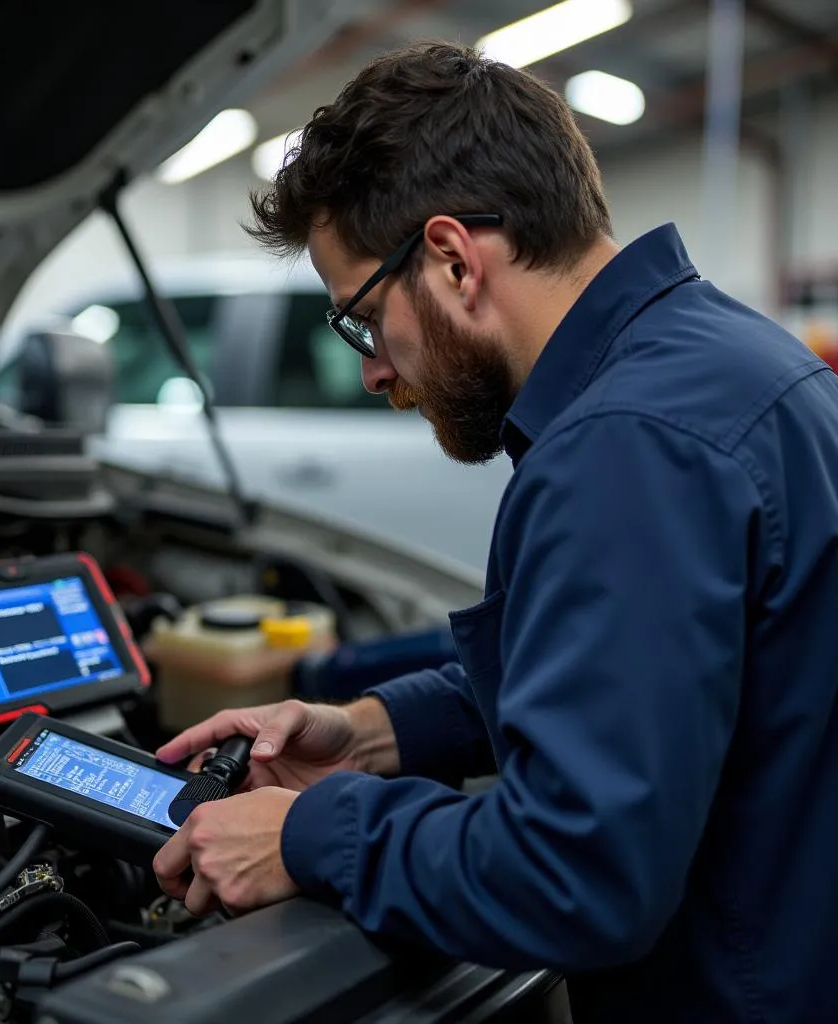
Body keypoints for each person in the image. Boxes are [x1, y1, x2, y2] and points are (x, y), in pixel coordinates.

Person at [153, 41, 838, 1023]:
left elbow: (578, 876)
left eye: (360, 319)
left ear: (449, 258)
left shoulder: (624, 449)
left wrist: (310, 831)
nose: (371, 371)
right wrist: (369, 734)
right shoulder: (725, 361)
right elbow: (639, 682)